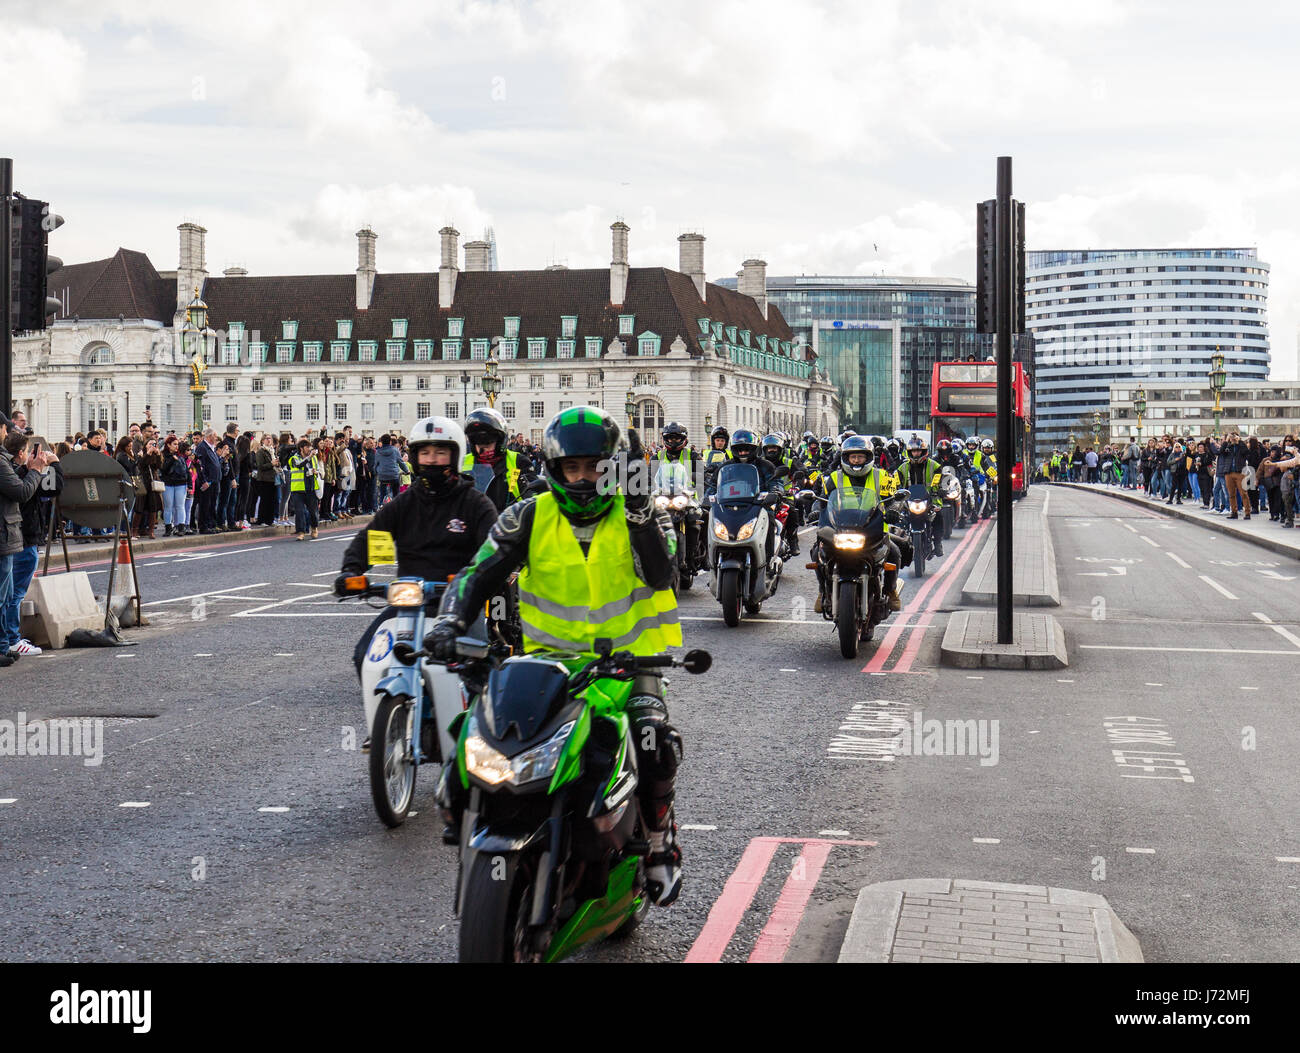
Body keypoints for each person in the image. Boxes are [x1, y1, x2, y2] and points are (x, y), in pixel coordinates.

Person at [425, 407, 684, 906]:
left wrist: (638, 515)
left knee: (653, 741)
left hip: (630, 664)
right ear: (554, 468)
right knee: (478, 733)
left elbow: (661, 575)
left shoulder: (644, 511)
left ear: (613, 466)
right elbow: (476, 573)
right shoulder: (526, 515)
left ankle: (657, 843)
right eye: (573, 468)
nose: (584, 478)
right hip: (547, 664)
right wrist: (448, 621)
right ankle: (467, 817)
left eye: (594, 467)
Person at [336, 416, 497, 746]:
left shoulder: (475, 504)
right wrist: (352, 572)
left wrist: (477, 578)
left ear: (455, 456)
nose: (432, 461)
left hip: (459, 604)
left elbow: (493, 551)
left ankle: (482, 737)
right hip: (408, 604)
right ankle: (388, 727)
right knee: (366, 654)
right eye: (425, 453)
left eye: (440, 453)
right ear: (414, 457)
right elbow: (374, 538)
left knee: (476, 666)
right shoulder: (405, 504)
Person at [816, 434, 903, 614]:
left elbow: (893, 500)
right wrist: (815, 509)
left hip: (873, 528)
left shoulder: (882, 477)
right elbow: (822, 500)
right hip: (838, 528)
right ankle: (822, 591)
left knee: (894, 553)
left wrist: (895, 510)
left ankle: (891, 590)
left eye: (860, 456)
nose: (856, 460)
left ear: (868, 458)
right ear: (846, 458)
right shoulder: (833, 478)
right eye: (853, 457)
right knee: (817, 552)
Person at [0, 412, 53, 668]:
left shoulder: (6, 463)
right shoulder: (3, 463)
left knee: (8, 592)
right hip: (10, 535)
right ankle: (7, 641)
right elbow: (22, 492)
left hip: (12, 534)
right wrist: (35, 470)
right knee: (8, 595)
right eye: (5, 427)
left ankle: (5, 643)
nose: (6, 431)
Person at [461, 407, 534, 511]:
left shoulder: (518, 461)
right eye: (477, 441)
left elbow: (532, 494)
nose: (483, 448)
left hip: (508, 522)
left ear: (500, 441)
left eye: (488, 441)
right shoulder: (463, 463)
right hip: (473, 521)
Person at [893, 435, 945, 558]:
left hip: (930, 498)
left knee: (938, 516)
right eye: (913, 451)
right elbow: (896, 483)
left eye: (918, 451)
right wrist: (895, 492)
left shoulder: (935, 466)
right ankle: (900, 546)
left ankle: (937, 543)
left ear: (924, 451)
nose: (916, 454)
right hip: (908, 500)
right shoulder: (901, 468)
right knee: (898, 519)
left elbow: (938, 481)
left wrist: (939, 491)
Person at [288, 438, 321, 540]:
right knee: (300, 511)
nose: (309, 449)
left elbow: (318, 469)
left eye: (310, 447)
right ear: (301, 448)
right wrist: (309, 457)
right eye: (307, 447)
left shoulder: (314, 458)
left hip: (310, 487)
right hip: (298, 489)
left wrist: (316, 471)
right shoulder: (294, 458)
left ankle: (314, 528)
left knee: (313, 511)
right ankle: (301, 532)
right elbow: (298, 465)